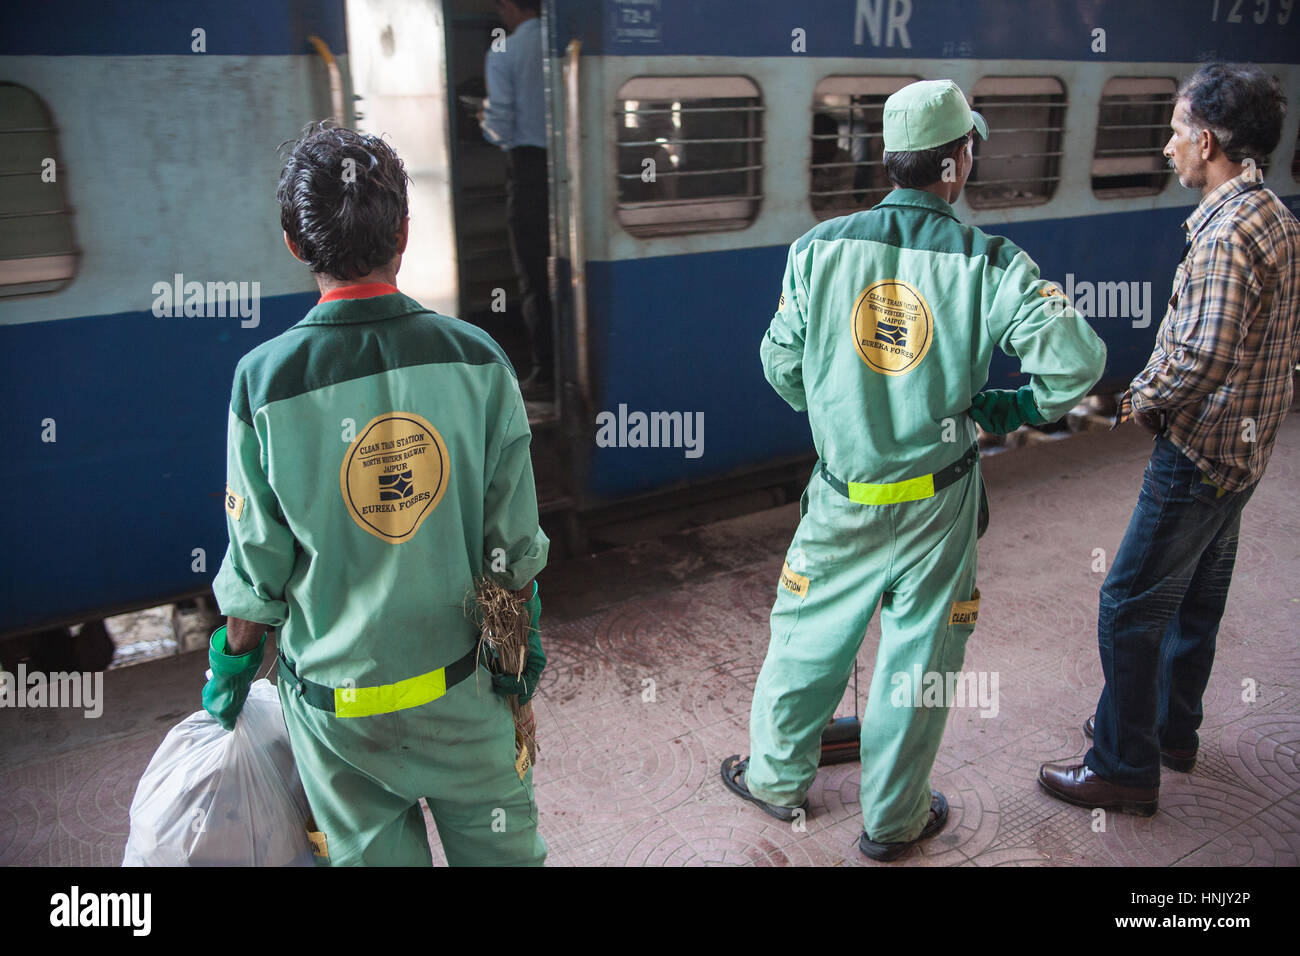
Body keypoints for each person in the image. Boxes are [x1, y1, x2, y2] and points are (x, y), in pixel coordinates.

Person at [722, 79, 1106, 861]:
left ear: (894, 160)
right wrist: (1003, 410)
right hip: (938, 502)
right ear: (956, 165)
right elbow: (1077, 366)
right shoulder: (991, 261)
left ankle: (775, 779)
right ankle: (893, 822)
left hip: (841, 492)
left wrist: (840, 406)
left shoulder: (818, 248)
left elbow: (779, 363)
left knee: (804, 639)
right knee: (919, 659)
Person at [200, 125, 550, 866]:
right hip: (462, 698)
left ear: (295, 242)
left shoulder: (262, 384)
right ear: (404, 231)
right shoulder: (479, 360)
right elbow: (512, 554)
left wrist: (229, 679)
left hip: (339, 723)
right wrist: (520, 665)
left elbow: (255, 579)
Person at [1039, 64, 1300, 815]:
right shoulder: (1276, 216)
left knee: (1127, 603)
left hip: (1198, 454)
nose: (1167, 147)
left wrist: (1139, 400)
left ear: (1207, 140)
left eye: (1177, 131)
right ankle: (1169, 731)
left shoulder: (1226, 233)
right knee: (1192, 600)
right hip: (1245, 454)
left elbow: (1207, 351)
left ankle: (1122, 766)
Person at [482, 0, 553, 401]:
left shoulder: (504, 50)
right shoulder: (566, 41)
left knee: (535, 275)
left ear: (510, 6)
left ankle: (546, 374)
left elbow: (501, 126)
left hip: (529, 169)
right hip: (573, 169)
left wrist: (484, 123)